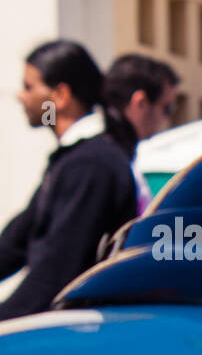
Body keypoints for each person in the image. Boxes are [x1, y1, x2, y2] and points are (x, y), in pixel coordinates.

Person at [0, 41, 137, 320]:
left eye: (29, 87)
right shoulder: (73, 159)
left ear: (60, 95)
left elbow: (57, 270)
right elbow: (17, 241)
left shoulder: (92, 164)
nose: (19, 96)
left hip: (74, 336)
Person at [102, 54, 180, 214]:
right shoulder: (107, 163)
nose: (166, 119)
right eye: (167, 108)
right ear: (141, 103)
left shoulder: (110, 156)